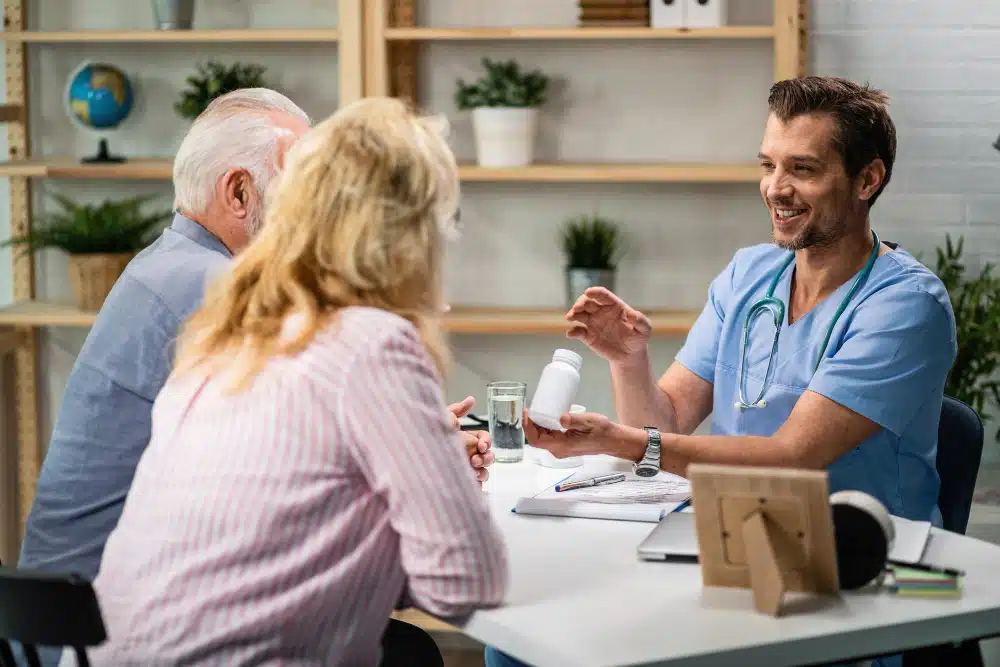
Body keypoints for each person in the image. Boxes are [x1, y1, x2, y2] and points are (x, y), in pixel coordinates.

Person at [486, 76, 957, 667]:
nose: (776, 189)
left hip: (848, 576)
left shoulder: (904, 304)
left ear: (868, 179)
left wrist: (621, 440)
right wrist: (629, 362)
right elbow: (670, 419)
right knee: (521, 647)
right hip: (730, 545)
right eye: (768, 165)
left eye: (804, 170)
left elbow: (792, 459)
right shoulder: (748, 275)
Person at [20, 88, 492, 667]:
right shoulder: (214, 293)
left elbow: (279, 475)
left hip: (86, 623)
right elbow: (453, 577)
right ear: (239, 191)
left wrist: (404, 446)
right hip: (104, 624)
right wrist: (413, 457)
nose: (309, 211)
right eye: (299, 187)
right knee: (405, 651)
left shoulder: (169, 266)